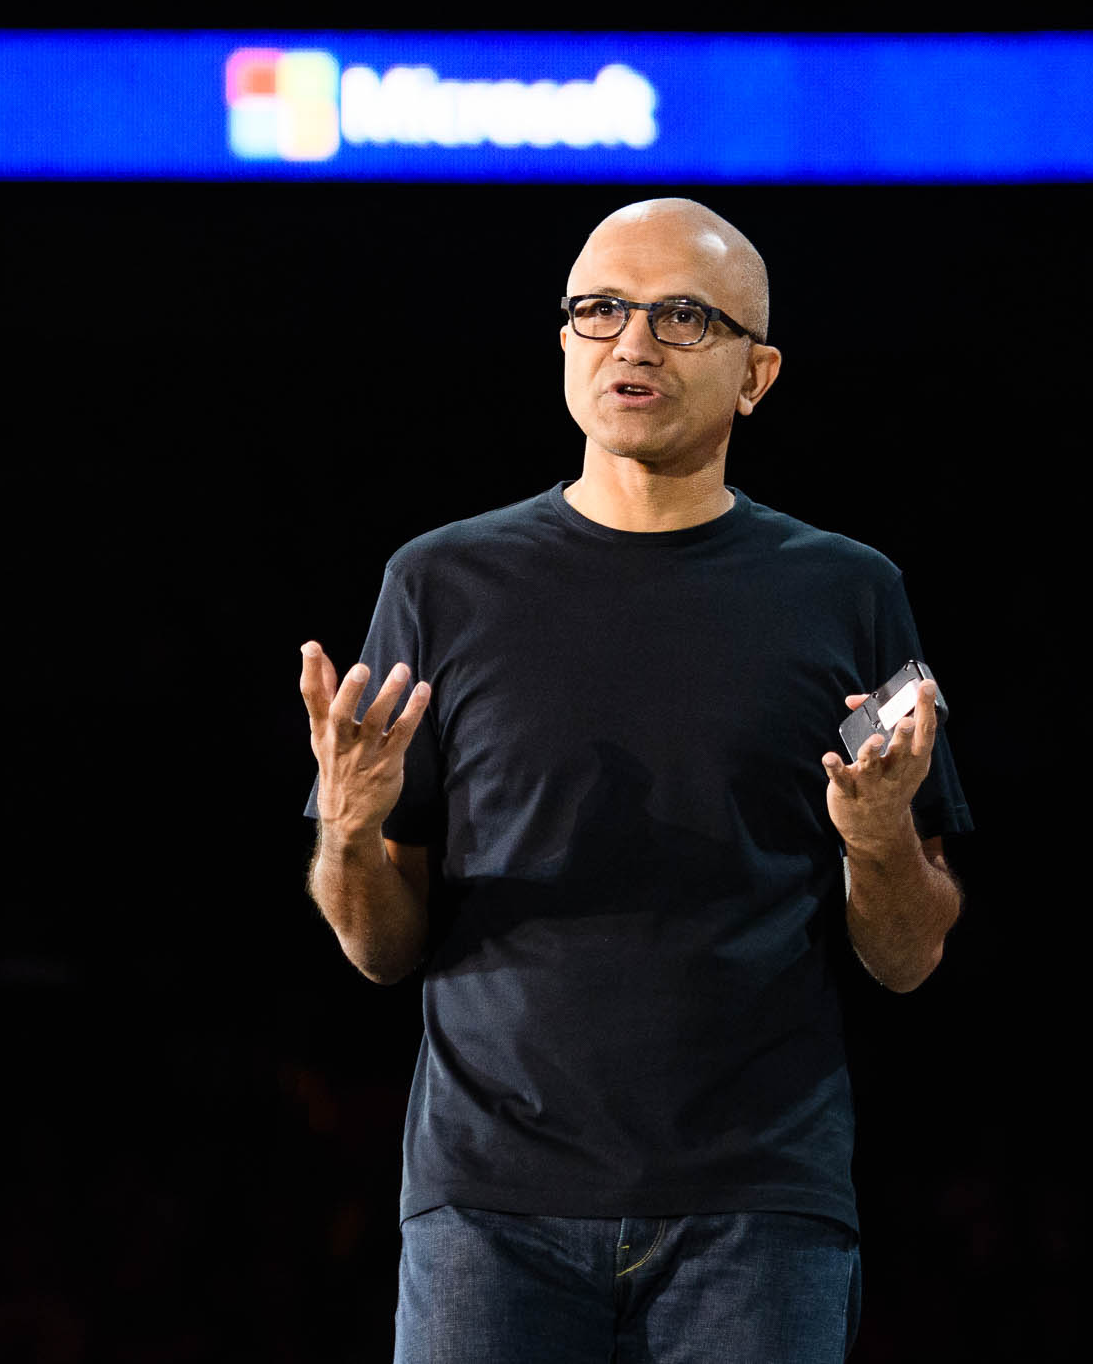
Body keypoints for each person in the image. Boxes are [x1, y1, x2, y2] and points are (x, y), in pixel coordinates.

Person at [299, 197, 972, 1363]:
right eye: (599, 310)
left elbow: (907, 957)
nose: (631, 342)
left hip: (758, 1212)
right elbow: (378, 947)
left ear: (756, 375)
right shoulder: (440, 583)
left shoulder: (846, 593)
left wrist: (876, 842)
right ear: (562, 340)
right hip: (485, 1211)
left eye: (681, 317)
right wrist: (350, 835)